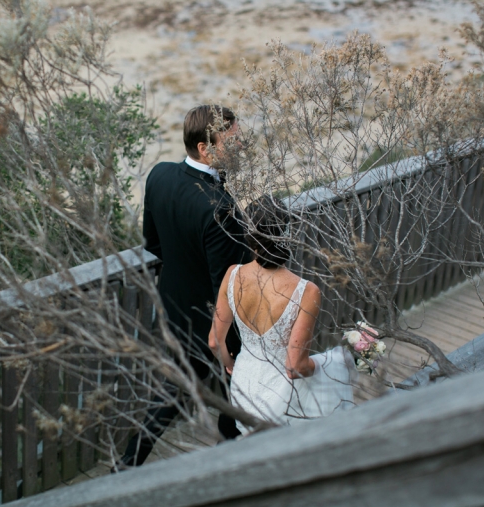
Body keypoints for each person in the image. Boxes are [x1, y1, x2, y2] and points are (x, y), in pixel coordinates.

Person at [114, 105, 252, 470]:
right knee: (236, 389)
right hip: (214, 323)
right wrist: (227, 341)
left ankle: (127, 464)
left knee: (172, 393)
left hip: (174, 307)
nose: (240, 146)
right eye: (233, 140)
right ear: (205, 148)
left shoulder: (159, 175)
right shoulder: (220, 209)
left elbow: (153, 245)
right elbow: (226, 285)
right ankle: (231, 457)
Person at [209, 199, 355, 435]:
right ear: (285, 235)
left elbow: (215, 341)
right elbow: (295, 367)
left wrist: (230, 365)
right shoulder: (306, 291)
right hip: (283, 398)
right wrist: (328, 362)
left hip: (243, 389)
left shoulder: (232, 275)